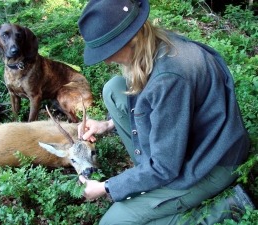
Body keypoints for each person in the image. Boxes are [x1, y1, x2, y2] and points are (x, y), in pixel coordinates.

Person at [77, 0, 255, 224]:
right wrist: (108, 124)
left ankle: (228, 209)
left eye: (108, 50)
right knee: (114, 89)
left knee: (113, 222)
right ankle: (147, 179)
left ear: (131, 38)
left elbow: (165, 167)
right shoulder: (154, 42)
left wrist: (106, 186)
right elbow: (158, 106)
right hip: (190, 143)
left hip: (213, 161)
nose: (105, 59)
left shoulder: (170, 77)